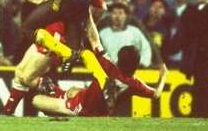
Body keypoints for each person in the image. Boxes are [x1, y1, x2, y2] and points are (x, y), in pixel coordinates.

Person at [32, 46, 168, 117]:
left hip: (81, 110)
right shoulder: (134, 84)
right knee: (73, 90)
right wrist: (163, 76)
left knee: (36, 99)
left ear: (119, 59)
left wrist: (88, 15)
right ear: (136, 64)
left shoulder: (108, 66)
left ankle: (59, 109)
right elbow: (156, 94)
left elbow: (94, 39)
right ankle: (58, 96)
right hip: (90, 104)